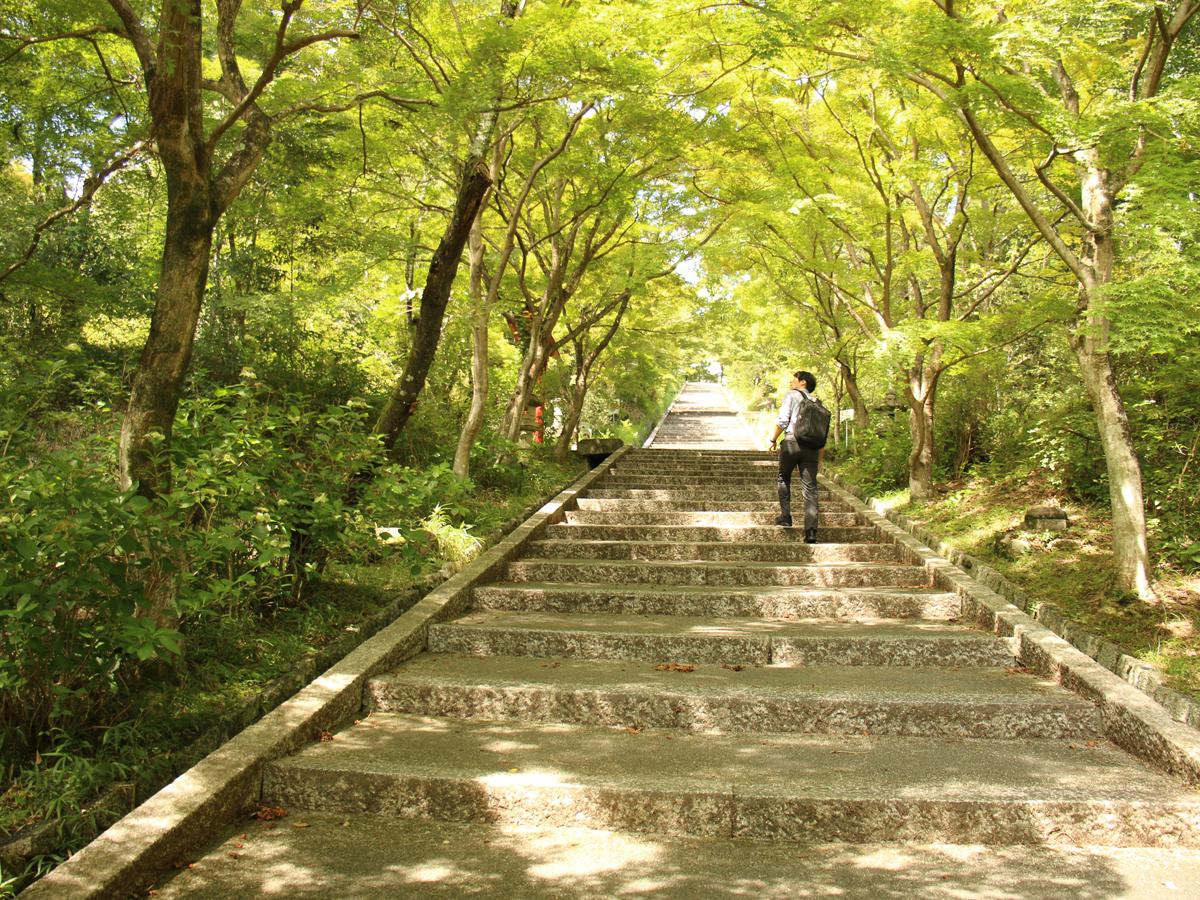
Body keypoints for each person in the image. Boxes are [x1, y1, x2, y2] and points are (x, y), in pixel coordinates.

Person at [768, 370, 823, 543]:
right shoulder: (817, 402)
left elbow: (783, 420)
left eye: (794, 379)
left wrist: (773, 439)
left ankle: (786, 517)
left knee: (783, 477)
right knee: (811, 488)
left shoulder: (792, 395)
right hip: (812, 447)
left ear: (803, 382)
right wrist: (820, 458)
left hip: (792, 442)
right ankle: (811, 532)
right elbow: (822, 432)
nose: (791, 382)